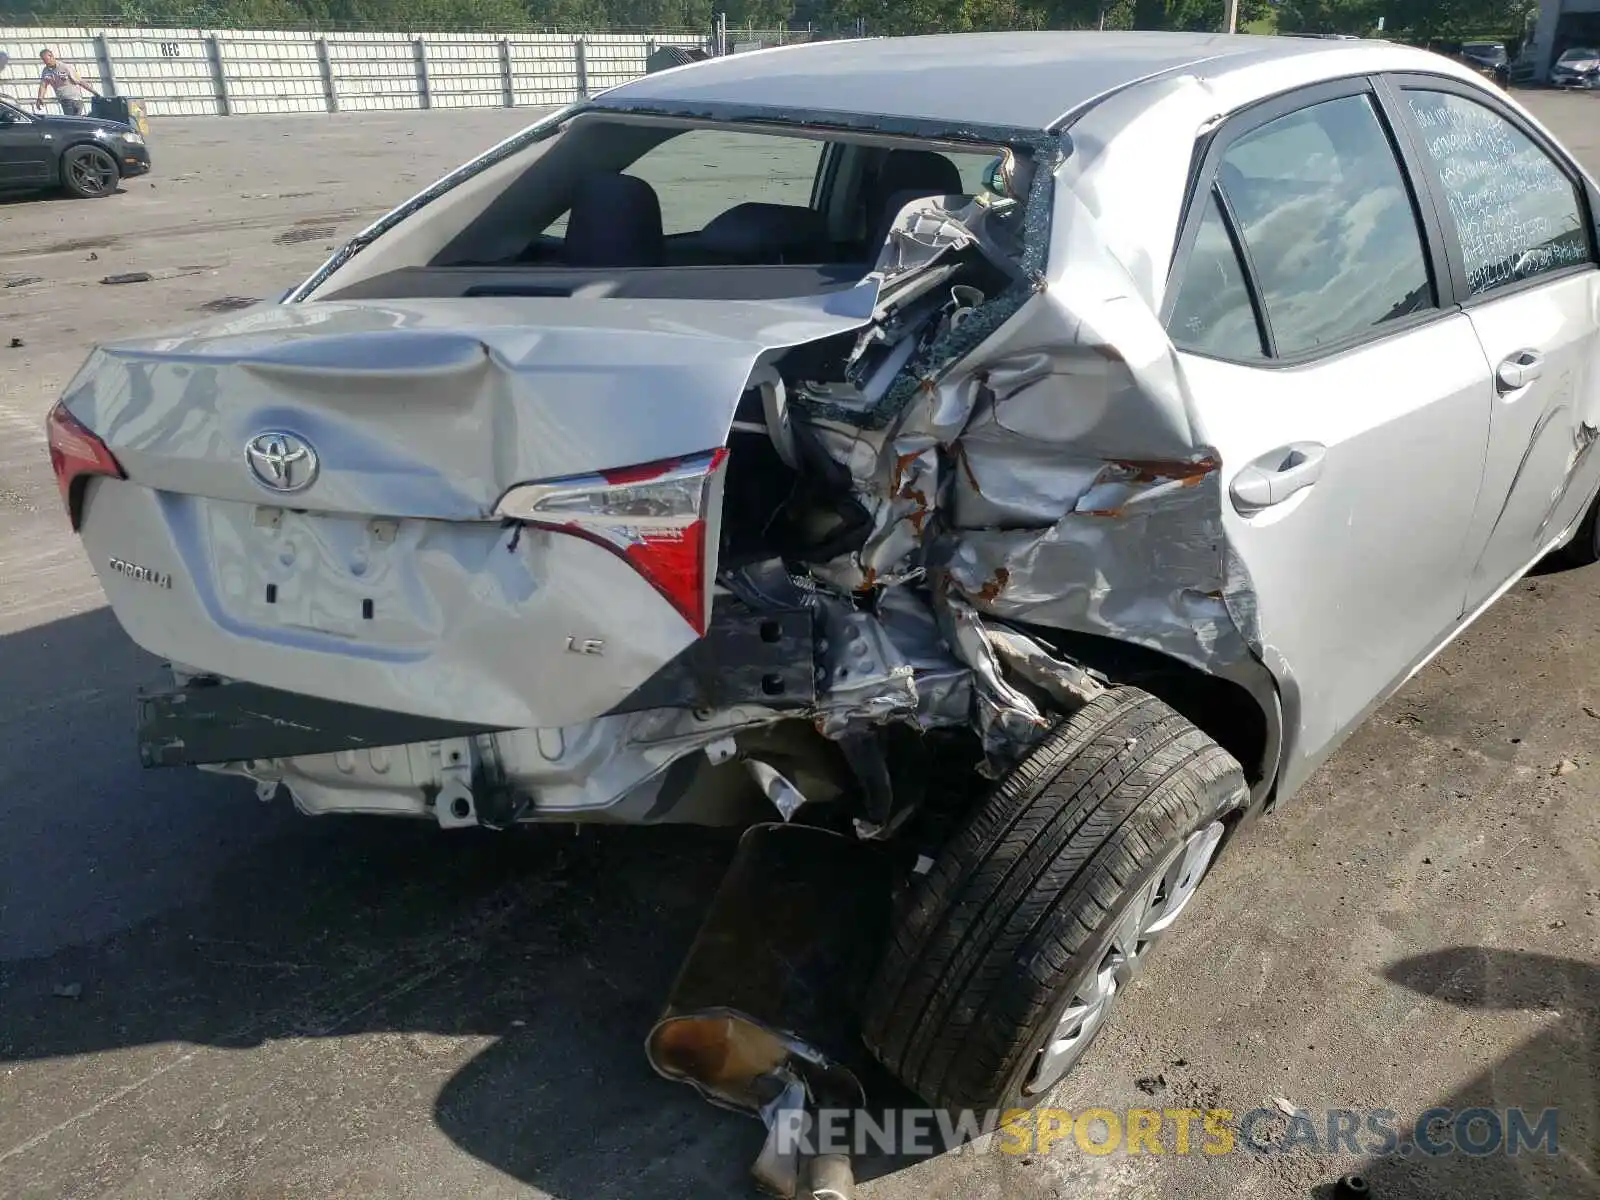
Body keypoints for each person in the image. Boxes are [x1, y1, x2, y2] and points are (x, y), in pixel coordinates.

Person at [35, 49, 97, 117]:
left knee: (72, 121)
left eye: (46, 59)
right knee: (74, 121)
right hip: (64, 99)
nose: (46, 62)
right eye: (43, 60)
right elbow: (43, 85)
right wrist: (40, 98)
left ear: (51, 56)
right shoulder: (46, 71)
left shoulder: (64, 67)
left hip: (74, 99)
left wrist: (94, 92)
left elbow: (80, 81)